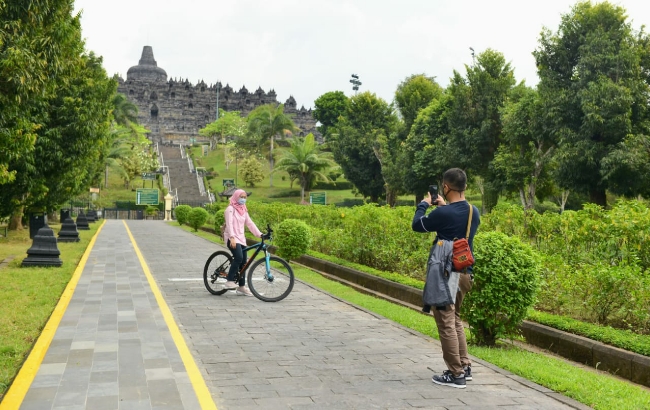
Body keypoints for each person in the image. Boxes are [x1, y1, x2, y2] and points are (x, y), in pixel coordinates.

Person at [412, 168, 480, 389]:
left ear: (446, 187)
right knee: (456, 318)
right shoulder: (473, 211)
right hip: (465, 273)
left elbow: (417, 225)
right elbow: (455, 221)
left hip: (446, 275)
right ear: (465, 187)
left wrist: (424, 204)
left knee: (446, 323)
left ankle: (455, 373)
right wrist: (443, 206)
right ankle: (465, 366)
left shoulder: (442, 214)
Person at [223, 189, 264, 296]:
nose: (243, 199)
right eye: (241, 197)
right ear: (236, 197)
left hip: (241, 239)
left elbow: (250, 223)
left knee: (244, 263)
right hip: (231, 238)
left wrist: (260, 234)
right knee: (239, 258)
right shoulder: (230, 209)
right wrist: (232, 237)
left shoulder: (243, 210)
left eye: (245, 197)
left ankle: (241, 287)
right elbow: (229, 224)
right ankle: (229, 281)